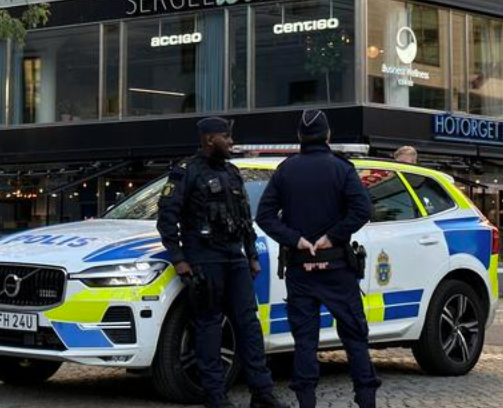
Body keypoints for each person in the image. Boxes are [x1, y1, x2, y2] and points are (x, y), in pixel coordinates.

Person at [156, 117, 285, 408]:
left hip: (234, 258)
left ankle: (262, 393)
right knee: (209, 328)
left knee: (249, 325)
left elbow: (244, 219)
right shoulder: (186, 172)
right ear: (210, 139)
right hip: (204, 259)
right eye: (226, 137)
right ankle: (215, 396)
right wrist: (178, 259)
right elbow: (166, 218)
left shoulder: (232, 172)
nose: (231, 142)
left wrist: (251, 255)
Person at [255, 110, 380, 408]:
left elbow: (265, 216)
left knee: (305, 342)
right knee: (354, 338)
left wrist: (295, 239)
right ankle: (366, 401)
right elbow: (362, 210)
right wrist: (333, 237)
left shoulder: (286, 170)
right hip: (338, 268)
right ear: (328, 136)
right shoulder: (342, 168)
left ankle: (306, 402)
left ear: (299, 137)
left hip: (301, 268)